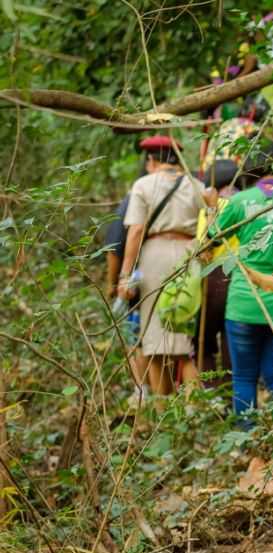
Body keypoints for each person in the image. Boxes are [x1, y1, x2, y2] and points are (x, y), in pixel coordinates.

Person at [207, 141, 273, 425]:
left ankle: (246, 439)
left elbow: (210, 239)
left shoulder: (240, 201)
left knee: (244, 377)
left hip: (245, 303)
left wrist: (211, 209)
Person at [119, 136, 206, 395]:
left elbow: (136, 230)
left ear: (151, 160)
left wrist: (125, 274)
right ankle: (193, 411)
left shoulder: (143, 185)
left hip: (154, 256)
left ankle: (161, 407)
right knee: (184, 343)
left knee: (154, 343)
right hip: (189, 255)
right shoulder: (197, 185)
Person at [104, 159, 149, 400]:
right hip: (169, 274)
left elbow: (114, 249)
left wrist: (113, 284)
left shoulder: (131, 201)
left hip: (135, 280)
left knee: (134, 339)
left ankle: (141, 391)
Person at [194, 159, 241, 386]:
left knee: (204, 341)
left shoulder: (213, 208)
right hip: (242, 277)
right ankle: (232, 391)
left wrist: (210, 209)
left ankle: (212, 392)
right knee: (232, 340)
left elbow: (204, 248)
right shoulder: (246, 203)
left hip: (215, 278)